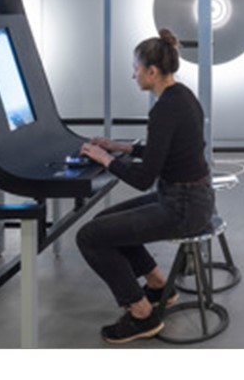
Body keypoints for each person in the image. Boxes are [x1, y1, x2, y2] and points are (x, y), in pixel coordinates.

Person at [76, 29, 215, 344]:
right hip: (192, 198)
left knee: (89, 237)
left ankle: (141, 314)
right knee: (104, 223)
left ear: (152, 71)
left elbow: (142, 180)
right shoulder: (183, 96)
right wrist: (120, 147)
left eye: (136, 68)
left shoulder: (164, 110)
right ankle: (158, 286)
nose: (133, 75)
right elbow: (165, 151)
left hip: (182, 208)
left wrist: (105, 159)